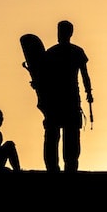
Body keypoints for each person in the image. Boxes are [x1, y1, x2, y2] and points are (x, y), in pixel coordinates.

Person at [41, 20, 93, 172]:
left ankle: (55, 168)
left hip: (56, 101)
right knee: (66, 136)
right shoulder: (77, 51)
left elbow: (43, 77)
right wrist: (88, 92)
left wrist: (89, 92)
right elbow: (85, 76)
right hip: (68, 100)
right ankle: (65, 168)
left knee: (55, 135)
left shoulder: (51, 53)